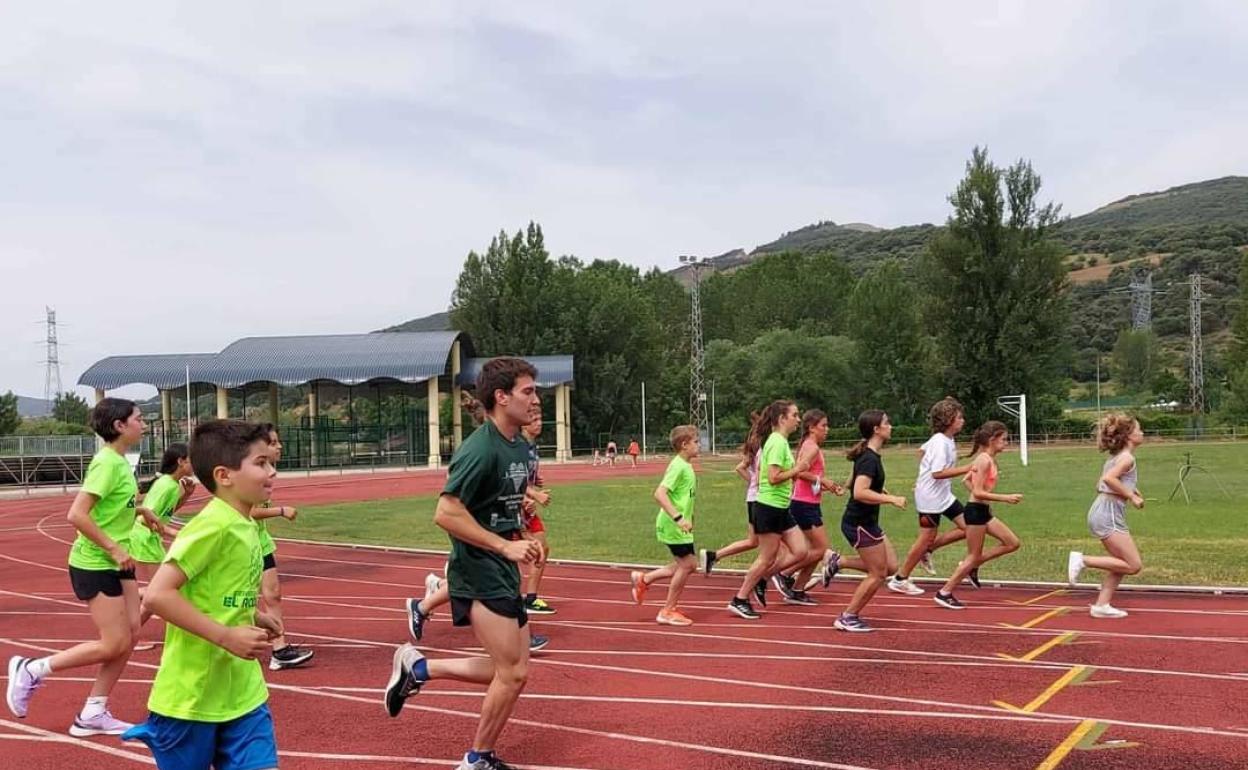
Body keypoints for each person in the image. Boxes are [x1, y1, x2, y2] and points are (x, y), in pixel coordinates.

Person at [385, 357, 544, 770]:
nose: (534, 399)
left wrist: (522, 538)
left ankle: (419, 668)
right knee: (513, 674)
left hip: (499, 563)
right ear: (501, 396)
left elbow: (496, 505)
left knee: (512, 668)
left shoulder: (519, 445)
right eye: (528, 391)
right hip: (478, 568)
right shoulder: (480, 448)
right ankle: (477, 758)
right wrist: (503, 547)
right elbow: (446, 513)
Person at [121, 420, 282, 770]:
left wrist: (252, 615)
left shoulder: (245, 524)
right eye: (261, 463)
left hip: (243, 692)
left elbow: (216, 591)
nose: (273, 471)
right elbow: (158, 595)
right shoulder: (212, 526)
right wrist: (226, 635)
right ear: (224, 475)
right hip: (191, 699)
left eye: (271, 461)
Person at [6, 398, 161, 735]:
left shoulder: (121, 461)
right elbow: (76, 514)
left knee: (132, 634)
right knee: (112, 643)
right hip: (95, 562)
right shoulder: (107, 463)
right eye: (139, 418)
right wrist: (113, 547)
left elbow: (109, 507)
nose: (144, 423)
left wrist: (140, 512)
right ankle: (33, 668)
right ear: (120, 426)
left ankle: (93, 712)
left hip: (120, 560)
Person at [727, 401, 809, 620]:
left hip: (781, 507)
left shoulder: (779, 442)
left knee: (801, 551)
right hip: (769, 507)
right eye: (795, 415)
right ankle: (740, 599)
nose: (798, 419)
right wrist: (797, 470)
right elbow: (773, 478)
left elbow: (769, 473)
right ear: (782, 418)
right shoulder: (776, 443)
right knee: (766, 557)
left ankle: (762, 579)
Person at [933, 421, 1023, 610]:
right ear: (992, 440)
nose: (1006, 443)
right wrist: (1004, 498)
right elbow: (979, 492)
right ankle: (945, 592)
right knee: (973, 555)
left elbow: (967, 480)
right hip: (975, 512)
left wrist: (984, 501)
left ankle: (972, 565)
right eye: (1004, 439)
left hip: (983, 511)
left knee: (1012, 542)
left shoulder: (987, 459)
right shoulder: (983, 460)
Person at [831, 411, 906, 633]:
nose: (890, 426)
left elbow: (858, 483)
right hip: (859, 523)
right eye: (887, 422)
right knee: (878, 573)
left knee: (891, 567)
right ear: (876, 429)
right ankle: (847, 616)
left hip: (868, 522)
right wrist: (890, 499)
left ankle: (838, 561)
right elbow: (860, 492)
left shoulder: (869, 455)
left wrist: (878, 489)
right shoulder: (869, 459)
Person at [889, 398, 972, 596]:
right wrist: (969, 468)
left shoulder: (945, 439)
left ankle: (928, 550)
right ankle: (900, 579)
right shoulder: (940, 442)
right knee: (925, 538)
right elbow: (937, 473)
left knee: (971, 527)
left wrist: (921, 475)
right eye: (959, 417)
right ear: (949, 420)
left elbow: (922, 451)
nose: (963, 420)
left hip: (943, 495)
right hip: (931, 499)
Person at [1067, 414, 1146, 618]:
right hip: (1108, 513)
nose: (1142, 433)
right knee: (1133, 565)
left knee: (1120, 561)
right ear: (1129, 436)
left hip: (1103, 509)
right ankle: (1082, 560)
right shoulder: (1127, 458)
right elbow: (1108, 479)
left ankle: (1102, 605)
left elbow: (1100, 484)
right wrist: (1131, 495)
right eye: (1138, 430)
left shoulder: (1115, 458)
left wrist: (1131, 489)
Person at [249, 423, 314, 670]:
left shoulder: (266, 474)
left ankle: (280, 649)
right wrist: (282, 511)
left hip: (261, 542)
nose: (279, 446)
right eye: (274, 442)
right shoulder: (250, 474)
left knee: (273, 594)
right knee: (240, 598)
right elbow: (249, 510)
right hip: (245, 543)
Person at [630, 425, 701, 626]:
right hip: (673, 525)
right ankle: (667, 610)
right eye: (696, 441)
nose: (699, 445)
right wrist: (679, 518)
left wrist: (688, 517)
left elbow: (683, 496)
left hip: (679, 525)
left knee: (686, 564)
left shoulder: (685, 465)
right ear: (684, 444)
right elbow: (659, 493)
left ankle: (645, 580)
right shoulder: (679, 466)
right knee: (688, 565)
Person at [775, 410, 844, 604]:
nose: (827, 429)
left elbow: (810, 476)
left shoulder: (810, 446)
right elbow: (797, 472)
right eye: (823, 425)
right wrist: (821, 480)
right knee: (821, 549)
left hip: (809, 502)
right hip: (803, 504)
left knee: (815, 550)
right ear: (812, 428)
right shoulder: (811, 447)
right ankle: (785, 573)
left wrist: (826, 486)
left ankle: (796, 590)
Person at [131, 443, 196, 647]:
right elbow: (145, 518)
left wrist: (186, 495)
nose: (193, 464)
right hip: (144, 538)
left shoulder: (172, 484)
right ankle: (129, 628)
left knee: (159, 591)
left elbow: (165, 513)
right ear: (180, 462)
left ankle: (129, 634)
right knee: (160, 591)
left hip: (149, 538)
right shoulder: (166, 485)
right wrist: (174, 532)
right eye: (190, 460)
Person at [521, 413, 555, 615]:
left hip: (526, 505)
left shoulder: (533, 446)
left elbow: (524, 476)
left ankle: (531, 598)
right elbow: (512, 477)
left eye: (541, 419)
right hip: (515, 506)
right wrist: (533, 494)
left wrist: (535, 481)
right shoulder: (519, 446)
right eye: (534, 420)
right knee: (500, 556)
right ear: (524, 425)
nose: (539, 423)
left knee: (542, 548)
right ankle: (447, 584)